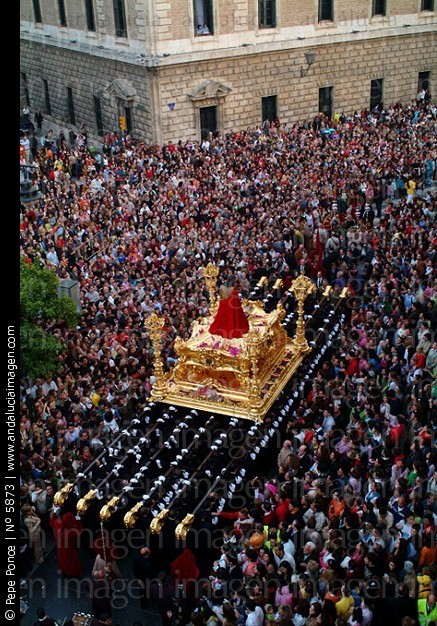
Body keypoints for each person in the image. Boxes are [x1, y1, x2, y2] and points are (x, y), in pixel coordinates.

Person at [209, 274, 249, 339]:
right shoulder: (233, 289)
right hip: (231, 307)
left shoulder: (221, 287)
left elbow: (221, 297)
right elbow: (235, 301)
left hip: (223, 305)